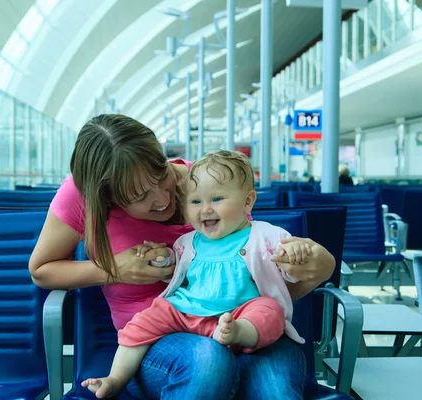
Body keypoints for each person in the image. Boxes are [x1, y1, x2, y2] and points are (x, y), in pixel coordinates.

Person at [29, 114, 336, 400]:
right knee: (209, 360)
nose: (162, 199)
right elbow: (42, 270)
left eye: (161, 174)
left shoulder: (207, 184)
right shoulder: (83, 194)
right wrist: (114, 270)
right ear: (109, 198)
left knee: (274, 386)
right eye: (139, 196)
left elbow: (255, 280)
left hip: (240, 322)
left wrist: (314, 270)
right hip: (157, 340)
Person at [81, 150, 310, 398]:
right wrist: (161, 258)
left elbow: (290, 272)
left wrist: (295, 253)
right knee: (142, 323)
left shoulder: (266, 235)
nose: (205, 209)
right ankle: (115, 378)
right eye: (196, 202)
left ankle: (240, 333)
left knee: (269, 310)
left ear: (247, 202)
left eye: (217, 199)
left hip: (241, 312)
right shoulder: (188, 242)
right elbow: (174, 270)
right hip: (188, 313)